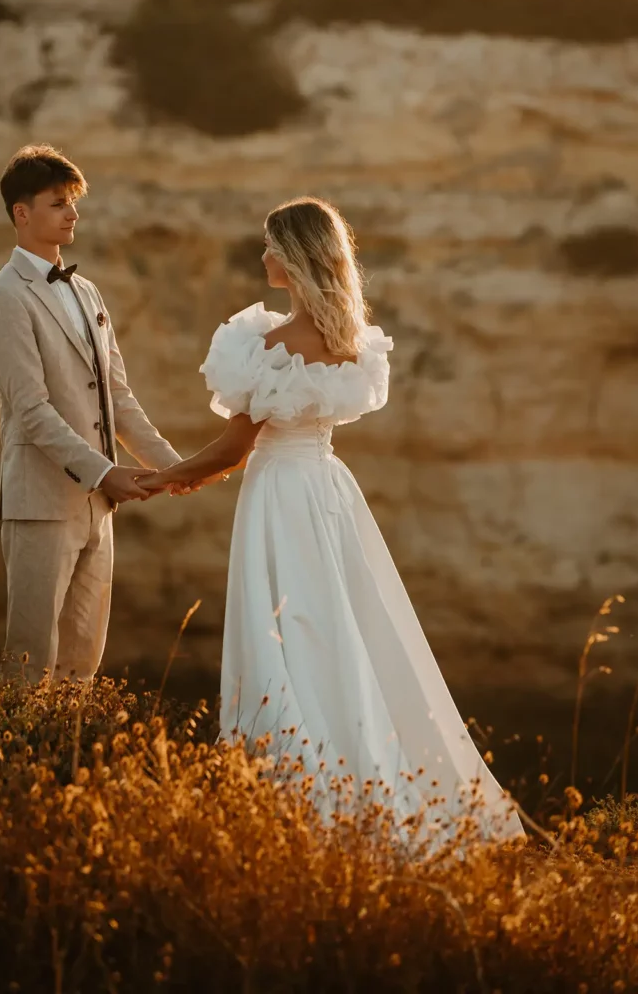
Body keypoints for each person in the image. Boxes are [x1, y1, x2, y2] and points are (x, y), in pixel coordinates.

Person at [139, 196, 523, 841]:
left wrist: (166, 477)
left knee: (288, 631)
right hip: (328, 488)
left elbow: (234, 450)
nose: (262, 257)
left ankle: (302, 803)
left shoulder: (267, 345)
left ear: (291, 257)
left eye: (270, 245)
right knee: (347, 627)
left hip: (281, 494)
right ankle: (371, 775)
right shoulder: (351, 342)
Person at [0, 143, 187, 683]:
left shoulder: (87, 289)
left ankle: (66, 767)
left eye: (73, 201)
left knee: (82, 667)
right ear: (21, 214)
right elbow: (31, 410)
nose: (73, 212)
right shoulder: (2, 297)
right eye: (57, 202)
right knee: (30, 662)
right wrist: (106, 472)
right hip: (40, 504)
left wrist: (172, 467)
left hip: (98, 508)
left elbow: (117, 394)